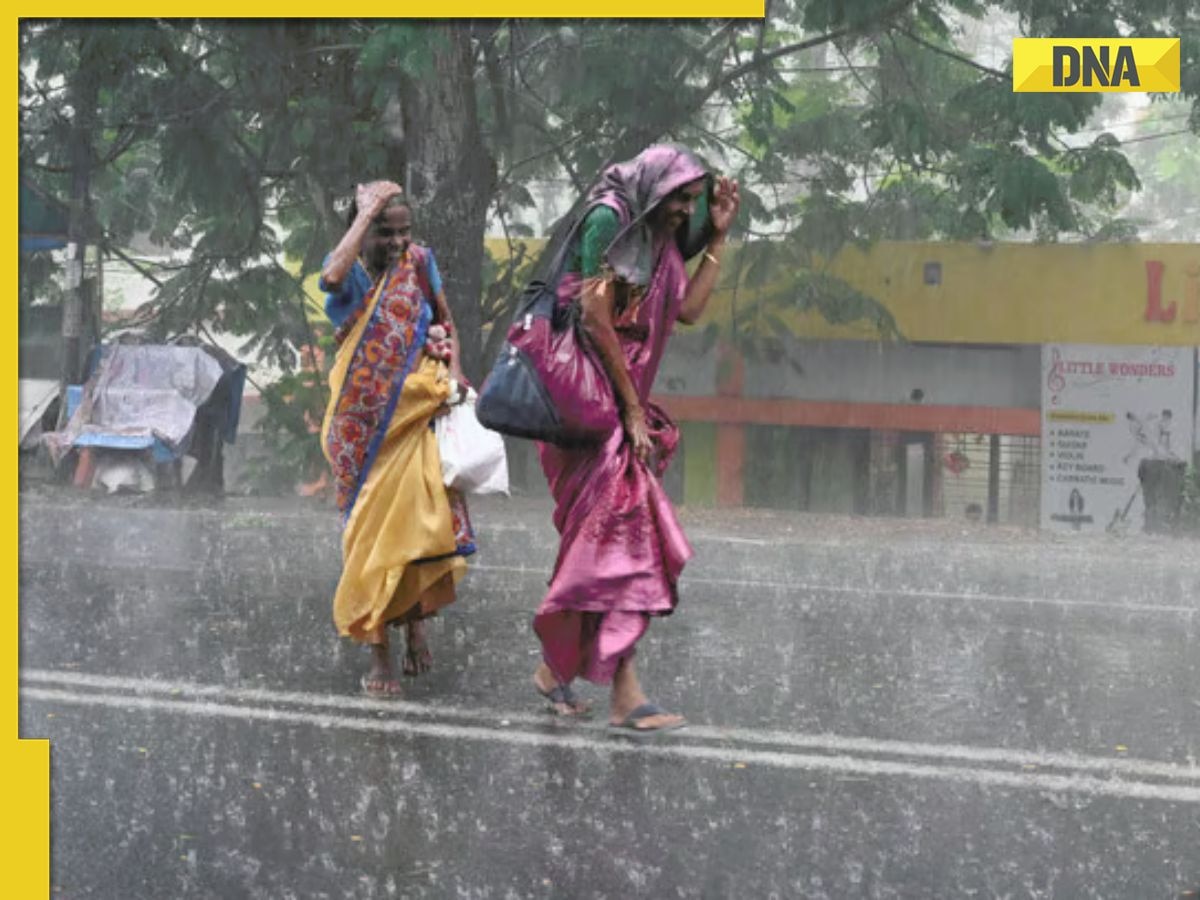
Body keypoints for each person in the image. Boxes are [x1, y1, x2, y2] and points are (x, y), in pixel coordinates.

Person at [531, 144, 740, 732]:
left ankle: (557, 667)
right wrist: (628, 411)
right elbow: (597, 318)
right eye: (679, 198)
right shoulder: (608, 220)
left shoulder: (660, 239)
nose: (685, 211)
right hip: (589, 412)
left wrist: (717, 239)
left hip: (622, 414)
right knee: (622, 545)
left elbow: (689, 312)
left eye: (692, 201)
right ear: (653, 187)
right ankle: (625, 693)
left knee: (601, 550)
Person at [319, 180, 473, 697]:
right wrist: (363, 217)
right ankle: (378, 649)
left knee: (414, 528)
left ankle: (415, 625)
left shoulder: (420, 262)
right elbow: (330, 276)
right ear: (362, 232)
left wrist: (456, 373)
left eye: (405, 232)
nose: (399, 244)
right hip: (360, 426)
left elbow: (446, 321)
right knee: (368, 538)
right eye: (387, 233)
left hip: (412, 416)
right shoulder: (350, 272)